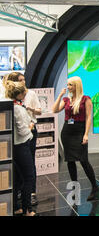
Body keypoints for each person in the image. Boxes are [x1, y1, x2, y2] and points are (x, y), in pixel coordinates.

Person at [52, 76, 98, 201]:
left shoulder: (85, 99)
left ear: (77, 86)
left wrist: (86, 134)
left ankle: (94, 187)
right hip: (67, 132)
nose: (68, 87)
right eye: (67, 84)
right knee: (70, 161)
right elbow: (54, 110)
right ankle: (75, 188)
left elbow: (89, 118)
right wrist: (60, 96)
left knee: (84, 160)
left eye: (70, 85)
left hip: (79, 130)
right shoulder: (67, 99)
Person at [6, 72, 41, 206]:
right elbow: (20, 128)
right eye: (20, 80)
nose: (24, 83)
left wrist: (29, 109)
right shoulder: (12, 102)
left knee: (30, 165)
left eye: (24, 80)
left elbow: (39, 111)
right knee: (20, 169)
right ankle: (21, 196)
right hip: (20, 135)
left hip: (29, 132)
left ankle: (31, 193)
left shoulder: (30, 94)